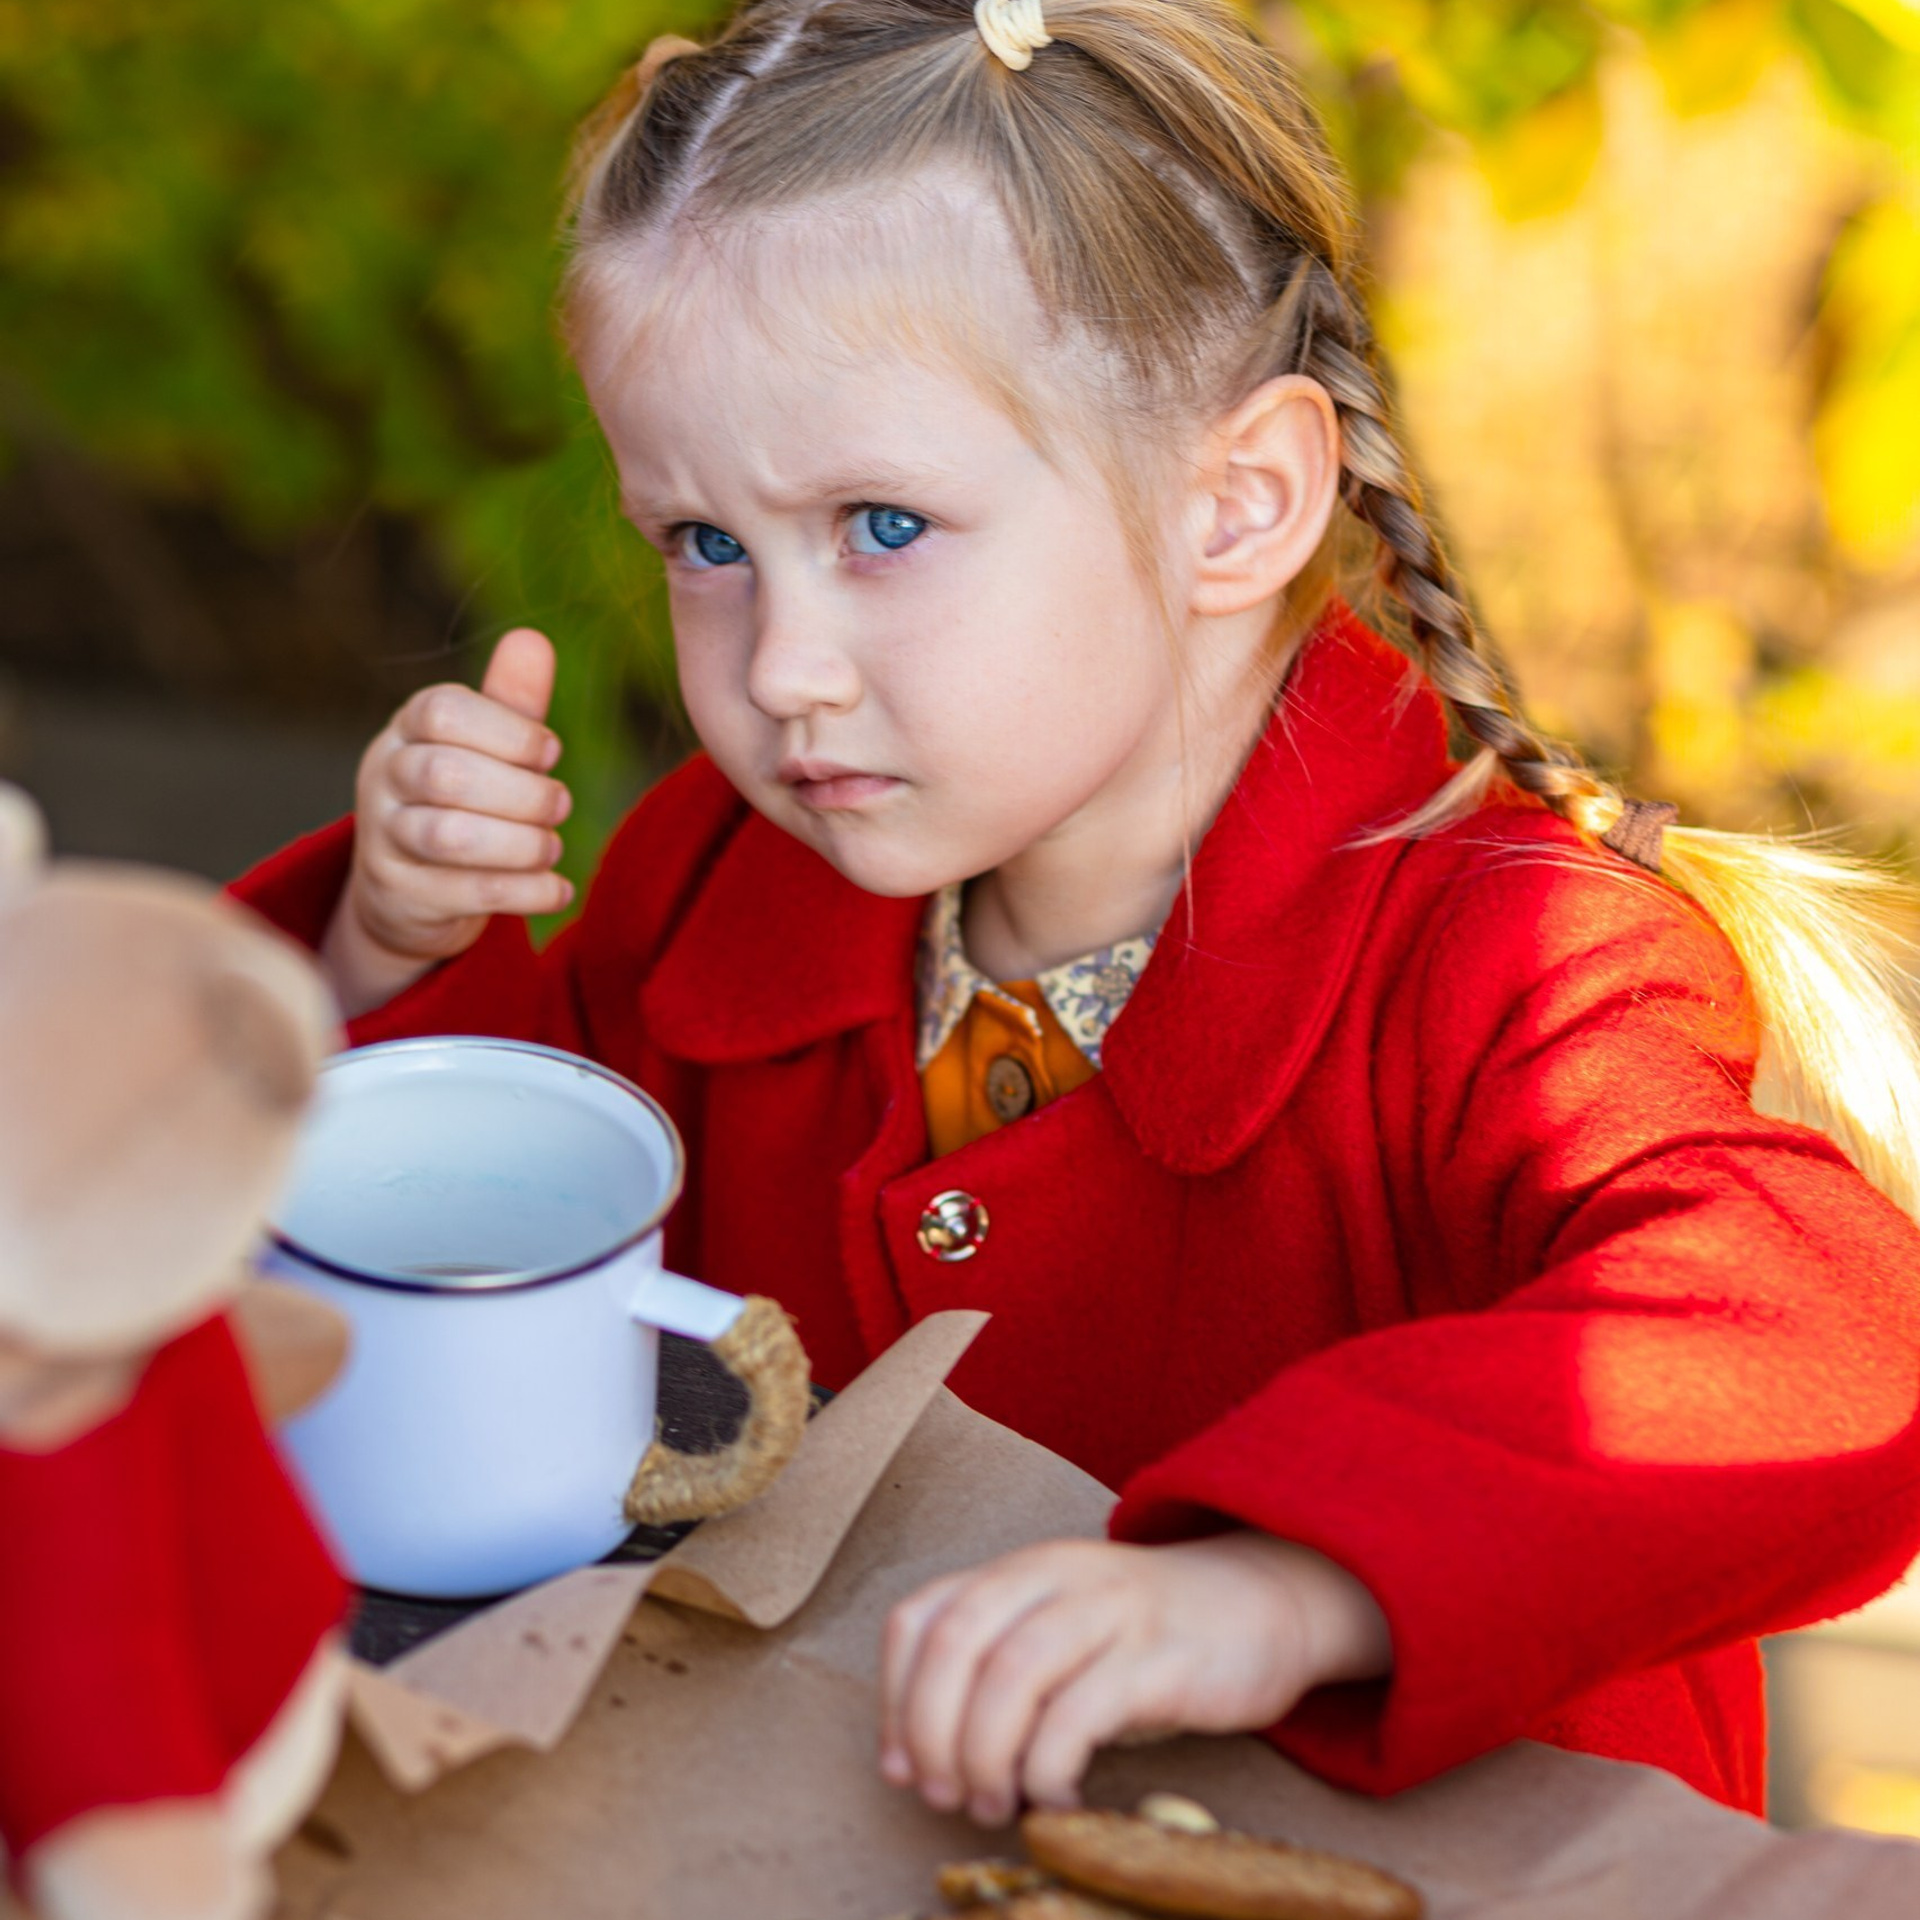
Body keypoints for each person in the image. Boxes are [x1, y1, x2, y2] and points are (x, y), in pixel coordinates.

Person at [235, 0, 1920, 1830]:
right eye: (705, 544)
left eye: (880, 524)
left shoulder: (1514, 962)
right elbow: (494, 1287)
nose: (782, 670)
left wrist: (1285, 1584)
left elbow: (1822, 1345)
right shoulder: (726, 882)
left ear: (1238, 504)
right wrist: (397, 955)